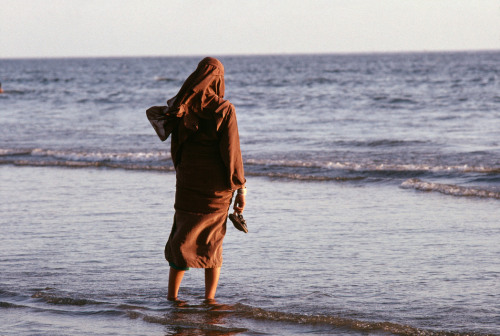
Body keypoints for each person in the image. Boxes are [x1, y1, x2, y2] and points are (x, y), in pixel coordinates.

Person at [146, 57, 246, 301]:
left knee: (182, 237)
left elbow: (176, 147)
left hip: (188, 184)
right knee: (213, 241)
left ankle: (172, 296)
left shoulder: (182, 109)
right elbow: (232, 153)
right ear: (218, 79)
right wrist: (240, 188)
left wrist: (182, 173)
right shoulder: (224, 109)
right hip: (215, 189)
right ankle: (209, 299)